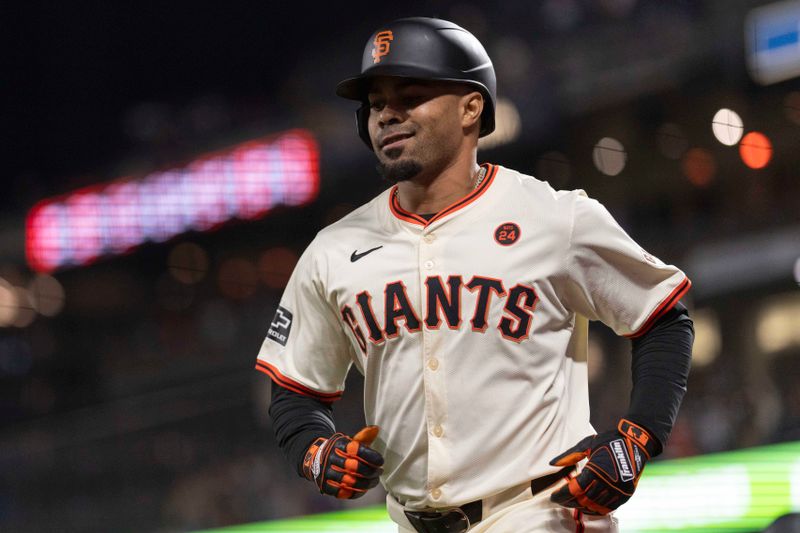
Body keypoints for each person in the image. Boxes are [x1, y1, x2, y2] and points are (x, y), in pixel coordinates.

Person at [256, 17, 694, 533]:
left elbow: (663, 318)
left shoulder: (553, 217)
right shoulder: (334, 250)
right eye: (376, 105)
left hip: (540, 514)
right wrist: (316, 449)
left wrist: (637, 438)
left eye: (410, 96)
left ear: (471, 107)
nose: (386, 116)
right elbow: (294, 390)